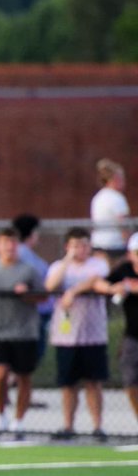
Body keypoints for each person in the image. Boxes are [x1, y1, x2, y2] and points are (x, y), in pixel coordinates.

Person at [45, 227, 109, 440]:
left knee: (93, 382)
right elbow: (51, 285)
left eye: (84, 245)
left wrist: (72, 291)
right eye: (75, 245)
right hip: (66, 335)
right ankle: (68, 426)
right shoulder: (58, 267)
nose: (80, 249)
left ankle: (98, 426)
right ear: (67, 246)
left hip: (93, 334)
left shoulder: (98, 263)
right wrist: (67, 260)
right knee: (68, 384)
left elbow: (95, 280)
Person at [0, 228, 47, 436]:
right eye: (5, 242)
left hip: (25, 331)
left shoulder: (28, 270)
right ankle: (0, 415)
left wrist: (27, 294)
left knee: (23, 377)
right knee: (0, 375)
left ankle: (19, 420)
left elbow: (44, 296)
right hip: (0, 330)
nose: (9, 247)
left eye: (13, 243)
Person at [99, 232, 138, 421]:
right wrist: (114, 288)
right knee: (130, 381)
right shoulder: (124, 270)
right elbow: (98, 282)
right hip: (133, 335)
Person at [12, 214, 53, 365]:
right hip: (32, 313)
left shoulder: (28, 254)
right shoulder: (22, 254)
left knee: (34, 356)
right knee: (28, 358)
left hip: (41, 311)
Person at [90, 158, 128, 260]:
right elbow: (123, 224)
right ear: (116, 179)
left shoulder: (98, 197)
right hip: (114, 246)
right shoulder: (117, 198)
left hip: (98, 244)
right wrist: (128, 244)